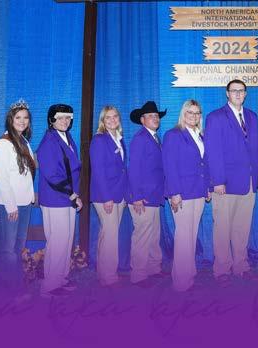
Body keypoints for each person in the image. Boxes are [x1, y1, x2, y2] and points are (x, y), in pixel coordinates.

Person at [205, 79, 258, 280]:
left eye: (241, 90)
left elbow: (254, 150)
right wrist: (217, 180)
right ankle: (222, 269)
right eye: (233, 90)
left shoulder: (252, 117)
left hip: (249, 182)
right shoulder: (215, 117)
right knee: (222, 227)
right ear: (227, 93)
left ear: (246, 94)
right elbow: (213, 151)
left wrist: (257, 179)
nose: (237, 94)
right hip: (225, 183)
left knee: (242, 227)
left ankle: (240, 265)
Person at [161, 99, 211, 292]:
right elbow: (170, 166)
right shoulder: (173, 135)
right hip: (181, 192)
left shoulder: (201, 135)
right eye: (190, 112)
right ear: (183, 114)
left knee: (191, 234)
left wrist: (207, 187)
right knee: (183, 235)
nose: (194, 116)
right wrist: (174, 193)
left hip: (198, 190)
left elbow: (204, 164)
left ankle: (189, 273)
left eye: (197, 113)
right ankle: (181, 281)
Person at [0, 99, 36, 295]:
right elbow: (2, 179)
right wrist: (11, 206)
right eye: (18, 117)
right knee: (8, 250)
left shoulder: (23, 141)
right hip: (7, 205)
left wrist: (30, 196)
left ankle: (7, 289)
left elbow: (25, 175)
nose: (22, 121)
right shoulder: (3, 144)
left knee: (16, 249)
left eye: (25, 118)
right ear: (11, 119)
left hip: (23, 203)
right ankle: (8, 292)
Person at [36, 103, 82, 297]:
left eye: (68, 118)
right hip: (55, 198)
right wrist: (72, 194)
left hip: (67, 197)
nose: (65, 121)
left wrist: (74, 195)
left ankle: (61, 278)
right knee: (57, 241)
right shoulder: (49, 141)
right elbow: (51, 175)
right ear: (51, 120)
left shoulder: (67, 137)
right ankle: (50, 285)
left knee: (66, 240)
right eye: (61, 117)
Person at [128, 100, 166, 285]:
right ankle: (138, 274)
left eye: (157, 116)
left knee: (153, 234)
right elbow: (134, 169)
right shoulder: (140, 139)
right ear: (142, 120)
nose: (155, 118)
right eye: (151, 116)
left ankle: (153, 267)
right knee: (142, 235)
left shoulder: (155, 138)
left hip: (153, 195)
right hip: (142, 196)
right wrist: (136, 196)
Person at [89, 105, 128, 287]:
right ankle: (108, 276)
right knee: (110, 235)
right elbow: (98, 171)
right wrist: (106, 197)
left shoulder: (119, 138)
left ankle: (103, 272)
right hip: (105, 195)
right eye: (108, 117)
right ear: (102, 121)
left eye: (115, 116)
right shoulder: (99, 140)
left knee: (108, 233)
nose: (112, 120)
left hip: (118, 193)